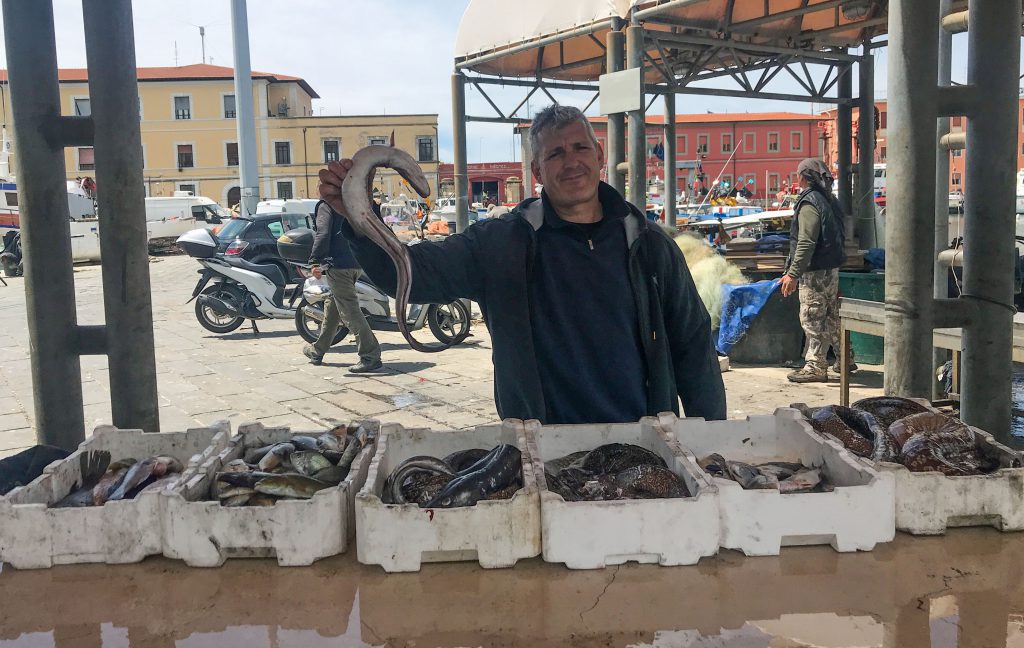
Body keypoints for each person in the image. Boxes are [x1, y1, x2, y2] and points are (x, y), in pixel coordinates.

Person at [317, 104, 725, 425]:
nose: (572, 161)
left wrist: (710, 439)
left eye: (580, 147)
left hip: (643, 435)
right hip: (541, 443)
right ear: (536, 171)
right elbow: (411, 274)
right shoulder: (501, 243)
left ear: (599, 155)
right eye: (555, 153)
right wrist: (358, 216)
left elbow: (692, 345)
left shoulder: (649, 245)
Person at [780, 158, 848, 383]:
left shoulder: (809, 202)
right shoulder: (830, 200)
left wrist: (793, 273)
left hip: (815, 272)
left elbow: (806, 241)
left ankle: (816, 366)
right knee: (832, 315)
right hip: (831, 268)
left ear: (802, 177)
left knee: (812, 316)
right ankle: (845, 360)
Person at [303, 200, 383, 373]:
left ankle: (370, 355)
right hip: (357, 262)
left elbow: (323, 233)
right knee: (333, 306)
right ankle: (317, 350)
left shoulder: (327, 205)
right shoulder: (350, 200)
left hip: (339, 266)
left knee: (349, 311)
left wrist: (315, 261)